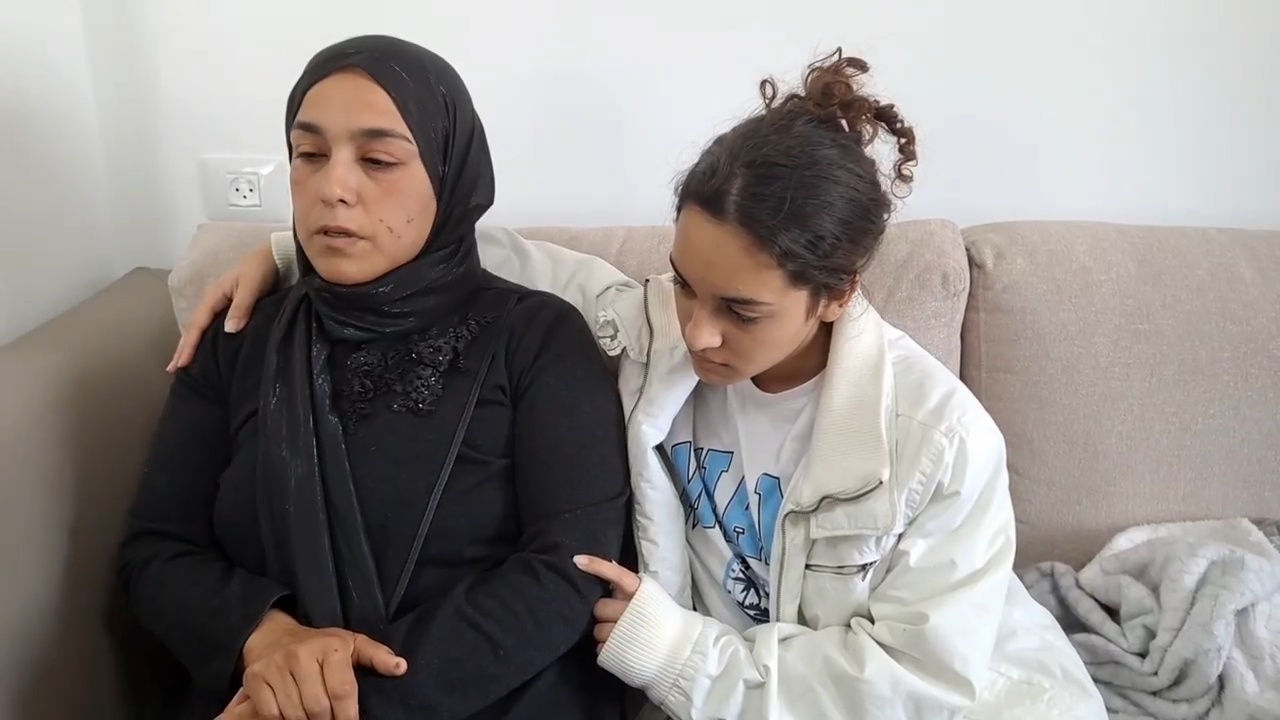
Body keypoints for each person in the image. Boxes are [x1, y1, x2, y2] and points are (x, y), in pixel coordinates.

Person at [170, 48, 1107, 719]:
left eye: (740, 310)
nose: (697, 333)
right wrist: (290, 252)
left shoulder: (939, 445)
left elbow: (916, 684)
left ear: (838, 294)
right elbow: (466, 246)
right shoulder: (646, 322)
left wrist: (675, 650)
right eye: (686, 283)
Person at [118, 35, 632, 720]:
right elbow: (158, 550)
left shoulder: (538, 339)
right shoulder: (241, 337)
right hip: (260, 694)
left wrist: (341, 701)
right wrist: (266, 637)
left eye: (378, 160)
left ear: (448, 175)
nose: (333, 187)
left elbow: (568, 570)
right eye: (309, 154)